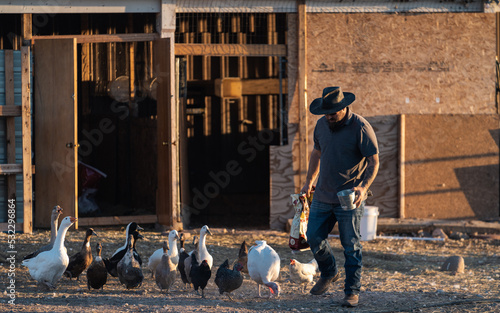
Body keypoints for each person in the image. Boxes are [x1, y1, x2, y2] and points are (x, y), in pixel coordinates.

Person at [301, 86, 379, 307]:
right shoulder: (321, 125)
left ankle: (351, 291)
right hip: (323, 194)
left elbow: (374, 161)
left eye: (333, 112)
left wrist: (363, 188)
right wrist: (309, 181)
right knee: (313, 237)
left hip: (349, 196)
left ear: (344, 108)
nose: (328, 116)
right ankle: (329, 271)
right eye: (325, 112)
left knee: (351, 246)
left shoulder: (360, 127)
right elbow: (317, 153)